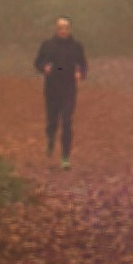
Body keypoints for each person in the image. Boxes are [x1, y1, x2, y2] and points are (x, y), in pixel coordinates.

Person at [33, 14, 90, 161]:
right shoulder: (47, 45)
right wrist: (44, 68)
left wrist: (80, 74)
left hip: (69, 88)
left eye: (65, 28)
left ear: (69, 29)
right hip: (52, 87)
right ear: (56, 30)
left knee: (66, 121)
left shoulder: (76, 46)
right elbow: (37, 63)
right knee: (52, 120)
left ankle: (65, 156)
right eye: (60, 28)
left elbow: (83, 64)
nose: (63, 31)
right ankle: (51, 139)